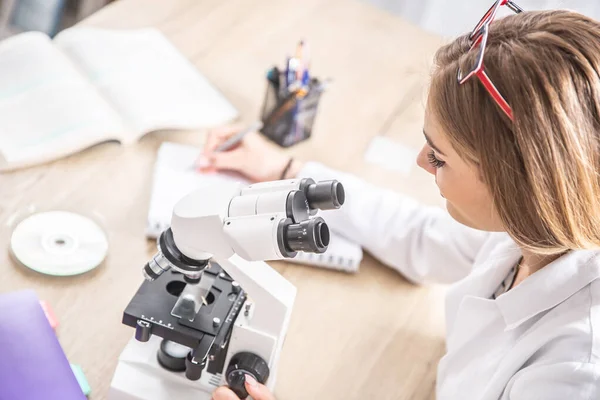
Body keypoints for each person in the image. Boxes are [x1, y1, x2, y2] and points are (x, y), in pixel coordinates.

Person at [208, 2, 600, 399]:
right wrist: (290, 172)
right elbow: (420, 235)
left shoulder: (574, 370)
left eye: (439, 157)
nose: (421, 162)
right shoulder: (536, 232)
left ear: (518, 184)